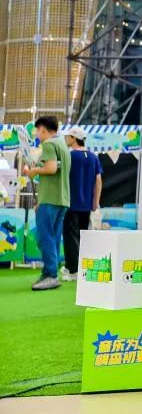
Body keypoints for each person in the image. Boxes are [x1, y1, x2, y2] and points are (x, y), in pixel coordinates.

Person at [22, 116, 72, 291]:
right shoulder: (62, 145)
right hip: (62, 199)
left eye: (37, 130)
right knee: (53, 237)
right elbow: (56, 168)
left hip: (50, 198)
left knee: (44, 237)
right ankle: (50, 273)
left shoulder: (49, 144)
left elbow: (51, 169)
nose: (36, 134)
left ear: (43, 129)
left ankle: (50, 274)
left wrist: (34, 171)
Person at [60, 126, 102, 282]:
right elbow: (98, 181)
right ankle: (78, 267)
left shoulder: (69, 156)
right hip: (87, 206)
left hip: (71, 203)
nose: (66, 139)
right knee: (82, 237)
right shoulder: (93, 157)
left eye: (68, 137)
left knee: (70, 237)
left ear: (74, 138)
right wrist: (96, 201)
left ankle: (73, 270)